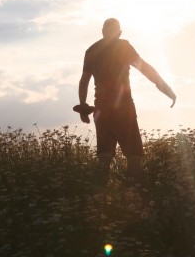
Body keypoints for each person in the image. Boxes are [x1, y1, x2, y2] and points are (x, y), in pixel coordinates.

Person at [75, 18, 176, 186]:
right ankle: (133, 194)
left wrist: (83, 106)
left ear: (102, 31)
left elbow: (84, 80)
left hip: (101, 108)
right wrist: (166, 89)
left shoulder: (91, 51)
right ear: (119, 32)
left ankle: (99, 198)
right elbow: (145, 69)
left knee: (104, 155)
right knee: (133, 154)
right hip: (123, 107)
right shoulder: (123, 47)